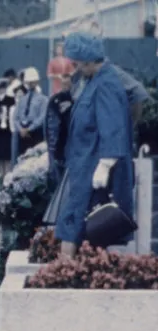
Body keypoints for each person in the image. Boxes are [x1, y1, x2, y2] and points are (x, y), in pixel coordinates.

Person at [52, 33, 134, 258]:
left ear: (89, 59)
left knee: (86, 227)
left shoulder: (106, 84)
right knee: (73, 224)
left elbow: (113, 126)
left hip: (94, 170)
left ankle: (67, 275)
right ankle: (67, 274)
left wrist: (106, 164)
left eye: (77, 62)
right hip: (82, 166)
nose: (75, 67)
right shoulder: (92, 81)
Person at [12, 68, 47, 161]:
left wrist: (30, 129)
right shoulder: (22, 99)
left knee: (34, 159)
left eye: (33, 81)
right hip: (23, 132)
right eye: (29, 82)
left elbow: (42, 117)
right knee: (22, 158)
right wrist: (21, 129)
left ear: (37, 81)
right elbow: (16, 117)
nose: (31, 84)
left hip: (35, 132)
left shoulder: (43, 99)